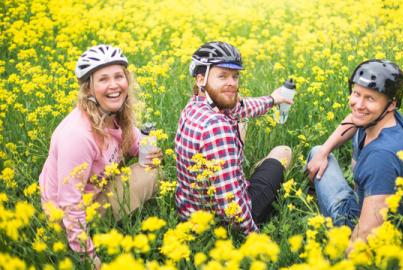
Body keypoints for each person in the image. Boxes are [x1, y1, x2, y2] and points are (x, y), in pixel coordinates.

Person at [39, 45, 162, 266]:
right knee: (149, 175)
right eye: (103, 79)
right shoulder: (77, 135)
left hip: (95, 192)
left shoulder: (112, 114)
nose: (114, 85)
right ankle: (91, 236)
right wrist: (89, 256)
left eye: (118, 76)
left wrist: (147, 150)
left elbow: (132, 143)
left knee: (151, 168)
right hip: (66, 215)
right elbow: (70, 202)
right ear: (89, 89)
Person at [175, 41, 293, 234]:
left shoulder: (194, 106)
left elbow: (241, 108)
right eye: (222, 76)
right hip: (221, 223)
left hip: (190, 210)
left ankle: (240, 174)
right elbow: (233, 207)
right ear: (200, 79)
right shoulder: (217, 127)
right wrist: (254, 237)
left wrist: (273, 100)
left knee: (241, 121)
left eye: (235, 76)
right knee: (283, 152)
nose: (232, 82)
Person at [306, 59, 403, 249]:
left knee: (314, 155)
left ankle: (325, 215)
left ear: (391, 105)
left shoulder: (382, 157)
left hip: (362, 224)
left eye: (370, 98)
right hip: (365, 201)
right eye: (356, 94)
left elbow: (366, 233)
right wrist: (324, 152)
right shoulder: (381, 118)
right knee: (318, 152)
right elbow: (353, 119)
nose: (358, 104)